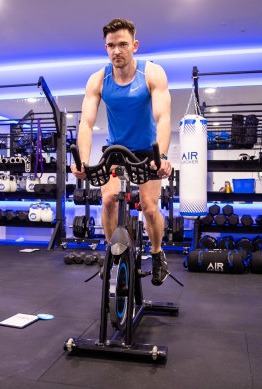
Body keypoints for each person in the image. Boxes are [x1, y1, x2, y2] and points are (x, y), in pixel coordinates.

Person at [71, 18, 172, 286]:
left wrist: (160, 156)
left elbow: (163, 118)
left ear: (135, 46)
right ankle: (111, 251)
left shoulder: (152, 74)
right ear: (106, 48)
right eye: (111, 45)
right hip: (115, 151)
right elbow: (87, 123)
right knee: (108, 200)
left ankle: (157, 252)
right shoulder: (98, 80)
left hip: (147, 151)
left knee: (149, 208)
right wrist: (82, 160)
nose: (117, 50)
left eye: (123, 44)